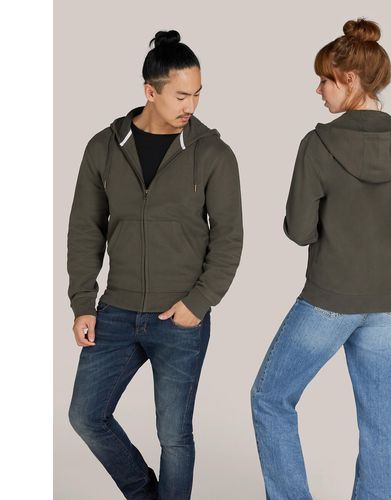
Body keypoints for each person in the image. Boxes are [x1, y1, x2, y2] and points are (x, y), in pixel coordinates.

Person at [250, 18, 391, 500]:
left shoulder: (317, 144)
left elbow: (299, 231)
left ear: (350, 79)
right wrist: (379, 229)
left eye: (325, 80)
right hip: (389, 305)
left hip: (328, 301)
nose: (319, 90)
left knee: (270, 398)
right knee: (381, 422)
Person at [67, 30, 243, 500]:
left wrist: (199, 302)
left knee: (174, 436)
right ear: (150, 91)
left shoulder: (213, 154)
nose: (192, 105)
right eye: (181, 95)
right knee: (85, 415)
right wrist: (83, 302)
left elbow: (229, 238)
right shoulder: (104, 148)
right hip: (116, 313)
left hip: (180, 317)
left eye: (198, 93)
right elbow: (85, 229)